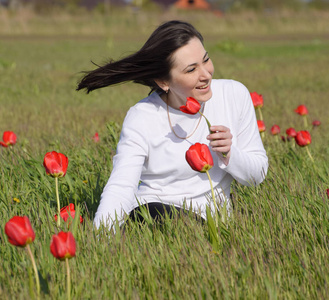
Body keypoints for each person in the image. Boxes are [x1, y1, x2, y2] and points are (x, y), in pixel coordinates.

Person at [77, 20, 268, 230]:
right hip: (155, 212)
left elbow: (256, 176)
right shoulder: (142, 117)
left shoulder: (234, 95)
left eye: (206, 60)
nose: (206, 75)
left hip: (214, 219)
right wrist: (101, 238)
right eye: (191, 70)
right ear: (163, 82)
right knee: (166, 218)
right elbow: (121, 186)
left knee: (198, 231)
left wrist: (229, 154)